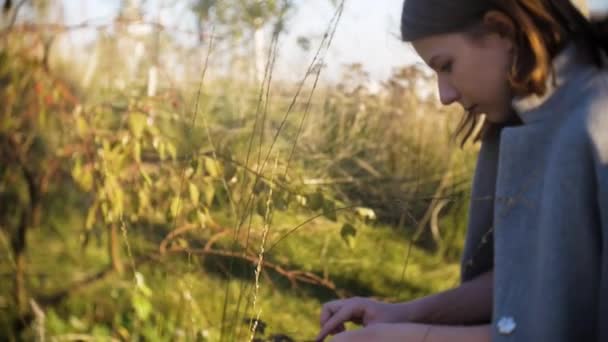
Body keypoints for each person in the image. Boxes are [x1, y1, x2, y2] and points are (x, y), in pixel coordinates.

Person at [316, 0, 608, 341]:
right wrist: (404, 313)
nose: (444, 94)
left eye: (446, 65)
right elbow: (532, 278)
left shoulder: (595, 126)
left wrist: (409, 338)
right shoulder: (523, 119)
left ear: (503, 30)